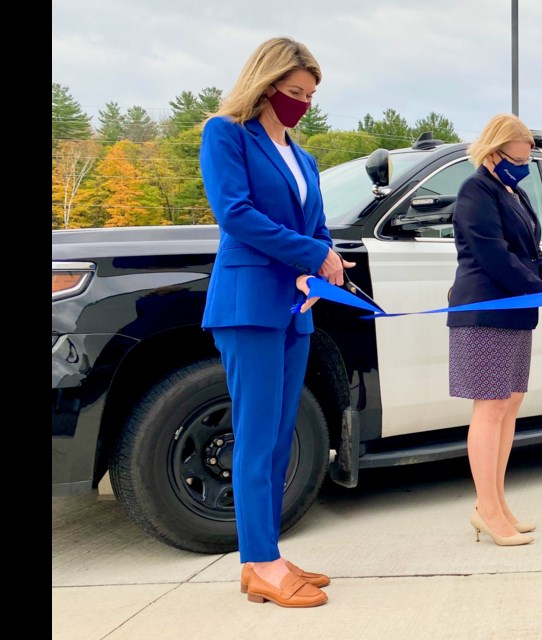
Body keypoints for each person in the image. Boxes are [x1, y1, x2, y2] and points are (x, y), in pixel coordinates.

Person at [199, 36, 352, 607]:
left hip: (295, 308)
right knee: (256, 436)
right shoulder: (226, 134)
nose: (303, 103)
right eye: (294, 92)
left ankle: (267, 555)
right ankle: (259, 562)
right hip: (249, 306)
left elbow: (316, 225)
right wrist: (312, 256)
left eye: (311, 95)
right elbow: (235, 213)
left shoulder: (303, 156)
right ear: (265, 84)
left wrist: (323, 263)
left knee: (279, 438)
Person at [447, 113, 542, 546]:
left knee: (509, 404)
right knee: (490, 407)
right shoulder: (474, 191)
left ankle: (497, 504)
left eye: (526, 159)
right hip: (485, 310)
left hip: (515, 313)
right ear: (492, 151)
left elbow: (531, 251)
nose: (522, 166)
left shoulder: (513, 193)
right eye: (516, 158)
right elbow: (494, 257)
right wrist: (541, 290)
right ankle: (487, 509)